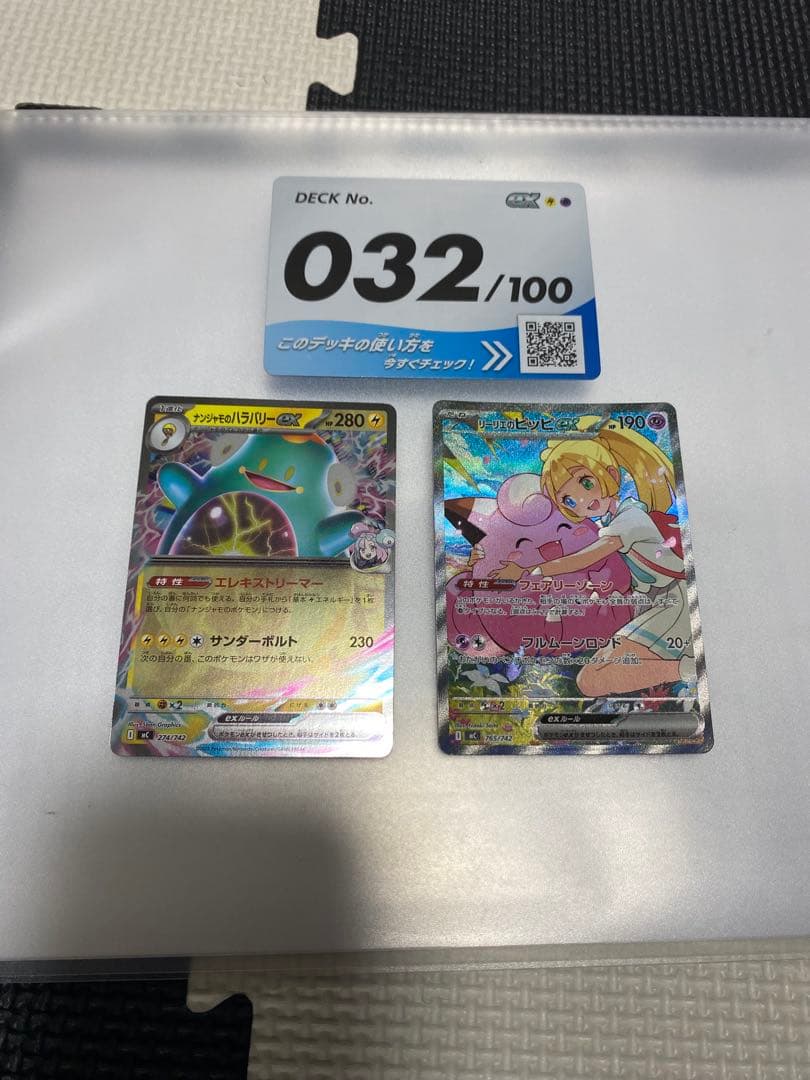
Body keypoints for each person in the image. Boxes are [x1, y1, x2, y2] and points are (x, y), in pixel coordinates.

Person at [489, 418, 695, 696]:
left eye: (586, 483)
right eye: (569, 500)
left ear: (609, 473)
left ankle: (689, 668)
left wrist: (536, 571)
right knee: (591, 679)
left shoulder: (631, 517)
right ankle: (686, 668)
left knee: (592, 680)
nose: (583, 500)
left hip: (673, 602)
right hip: (649, 602)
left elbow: (587, 557)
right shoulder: (608, 521)